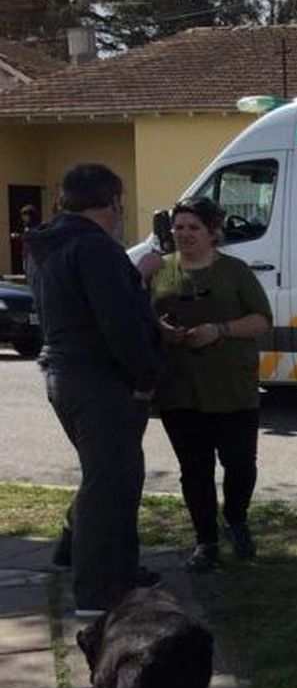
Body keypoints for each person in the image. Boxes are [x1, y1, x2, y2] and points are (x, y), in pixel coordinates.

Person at [25, 164, 164, 615]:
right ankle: (98, 596)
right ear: (110, 204)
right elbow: (117, 321)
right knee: (109, 486)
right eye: (118, 205)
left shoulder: (48, 246)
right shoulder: (94, 248)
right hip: (100, 379)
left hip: (67, 372)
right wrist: (145, 377)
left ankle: (119, 574)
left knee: (118, 478)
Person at [149, 196, 273, 572]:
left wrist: (219, 329)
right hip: (181, 387)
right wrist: (162, 330)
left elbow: (262, 320)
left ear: (213, 233)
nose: (184, 234)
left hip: (231, 385)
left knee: (240, 464)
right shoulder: (159, 270)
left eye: (193, 228)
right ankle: (205, 542)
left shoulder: (234, 271)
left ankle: (235, 519)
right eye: (179, 227)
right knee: (194, 468)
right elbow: (140, 314)